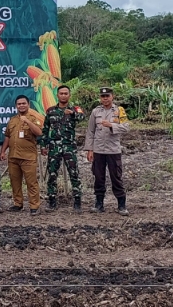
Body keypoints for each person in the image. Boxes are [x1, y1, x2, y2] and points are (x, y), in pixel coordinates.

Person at [85, 87, 131, 215]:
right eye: (103, 96)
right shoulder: (95, 112)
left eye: (107, 96)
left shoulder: (118, 111)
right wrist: (90, 149)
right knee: (98, 177)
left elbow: (127, 128)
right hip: (98, 150)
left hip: (113, 150)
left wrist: (112, 126)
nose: (105, 99)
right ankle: (99, 204)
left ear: (112, 97)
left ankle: (121, 205)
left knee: (116, 177)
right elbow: (90, 131)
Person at [41, 85, 86, 212]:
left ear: (69, 95)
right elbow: (45, 130)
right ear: (57, 95)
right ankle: (52, 201)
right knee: (52, 174)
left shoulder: (75, 109)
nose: (64, 95)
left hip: (69, 147)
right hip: (54, 147)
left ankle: (77, 201)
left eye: (66, 93)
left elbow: (82, 118)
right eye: (61, 93)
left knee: (74, 173)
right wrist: (43, 145)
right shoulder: (51, 111)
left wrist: (72, 114)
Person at [0, 94, 43, 214]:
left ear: (28, 105)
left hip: (28, 157)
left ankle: (34, 206)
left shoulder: (34, 118)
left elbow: (39, 132)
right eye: (19, 104)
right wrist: (3, 151)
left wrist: (27, 121)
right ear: (16, 106)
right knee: (15, 182)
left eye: (24, 103)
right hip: (13, 157)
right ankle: (18, 204)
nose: (21, 105)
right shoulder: (12, 120)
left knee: (31, 182)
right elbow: (7, 136)